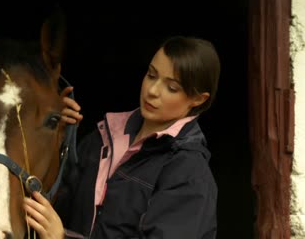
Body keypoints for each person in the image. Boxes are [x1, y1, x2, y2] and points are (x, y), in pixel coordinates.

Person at [23, 36, 221, 238]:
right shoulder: (103, 138)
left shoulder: (189, 173)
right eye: (151, 75)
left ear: (198, 99)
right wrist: (56, 134)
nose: (152, 91)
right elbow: (53, 204)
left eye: (171, 88)